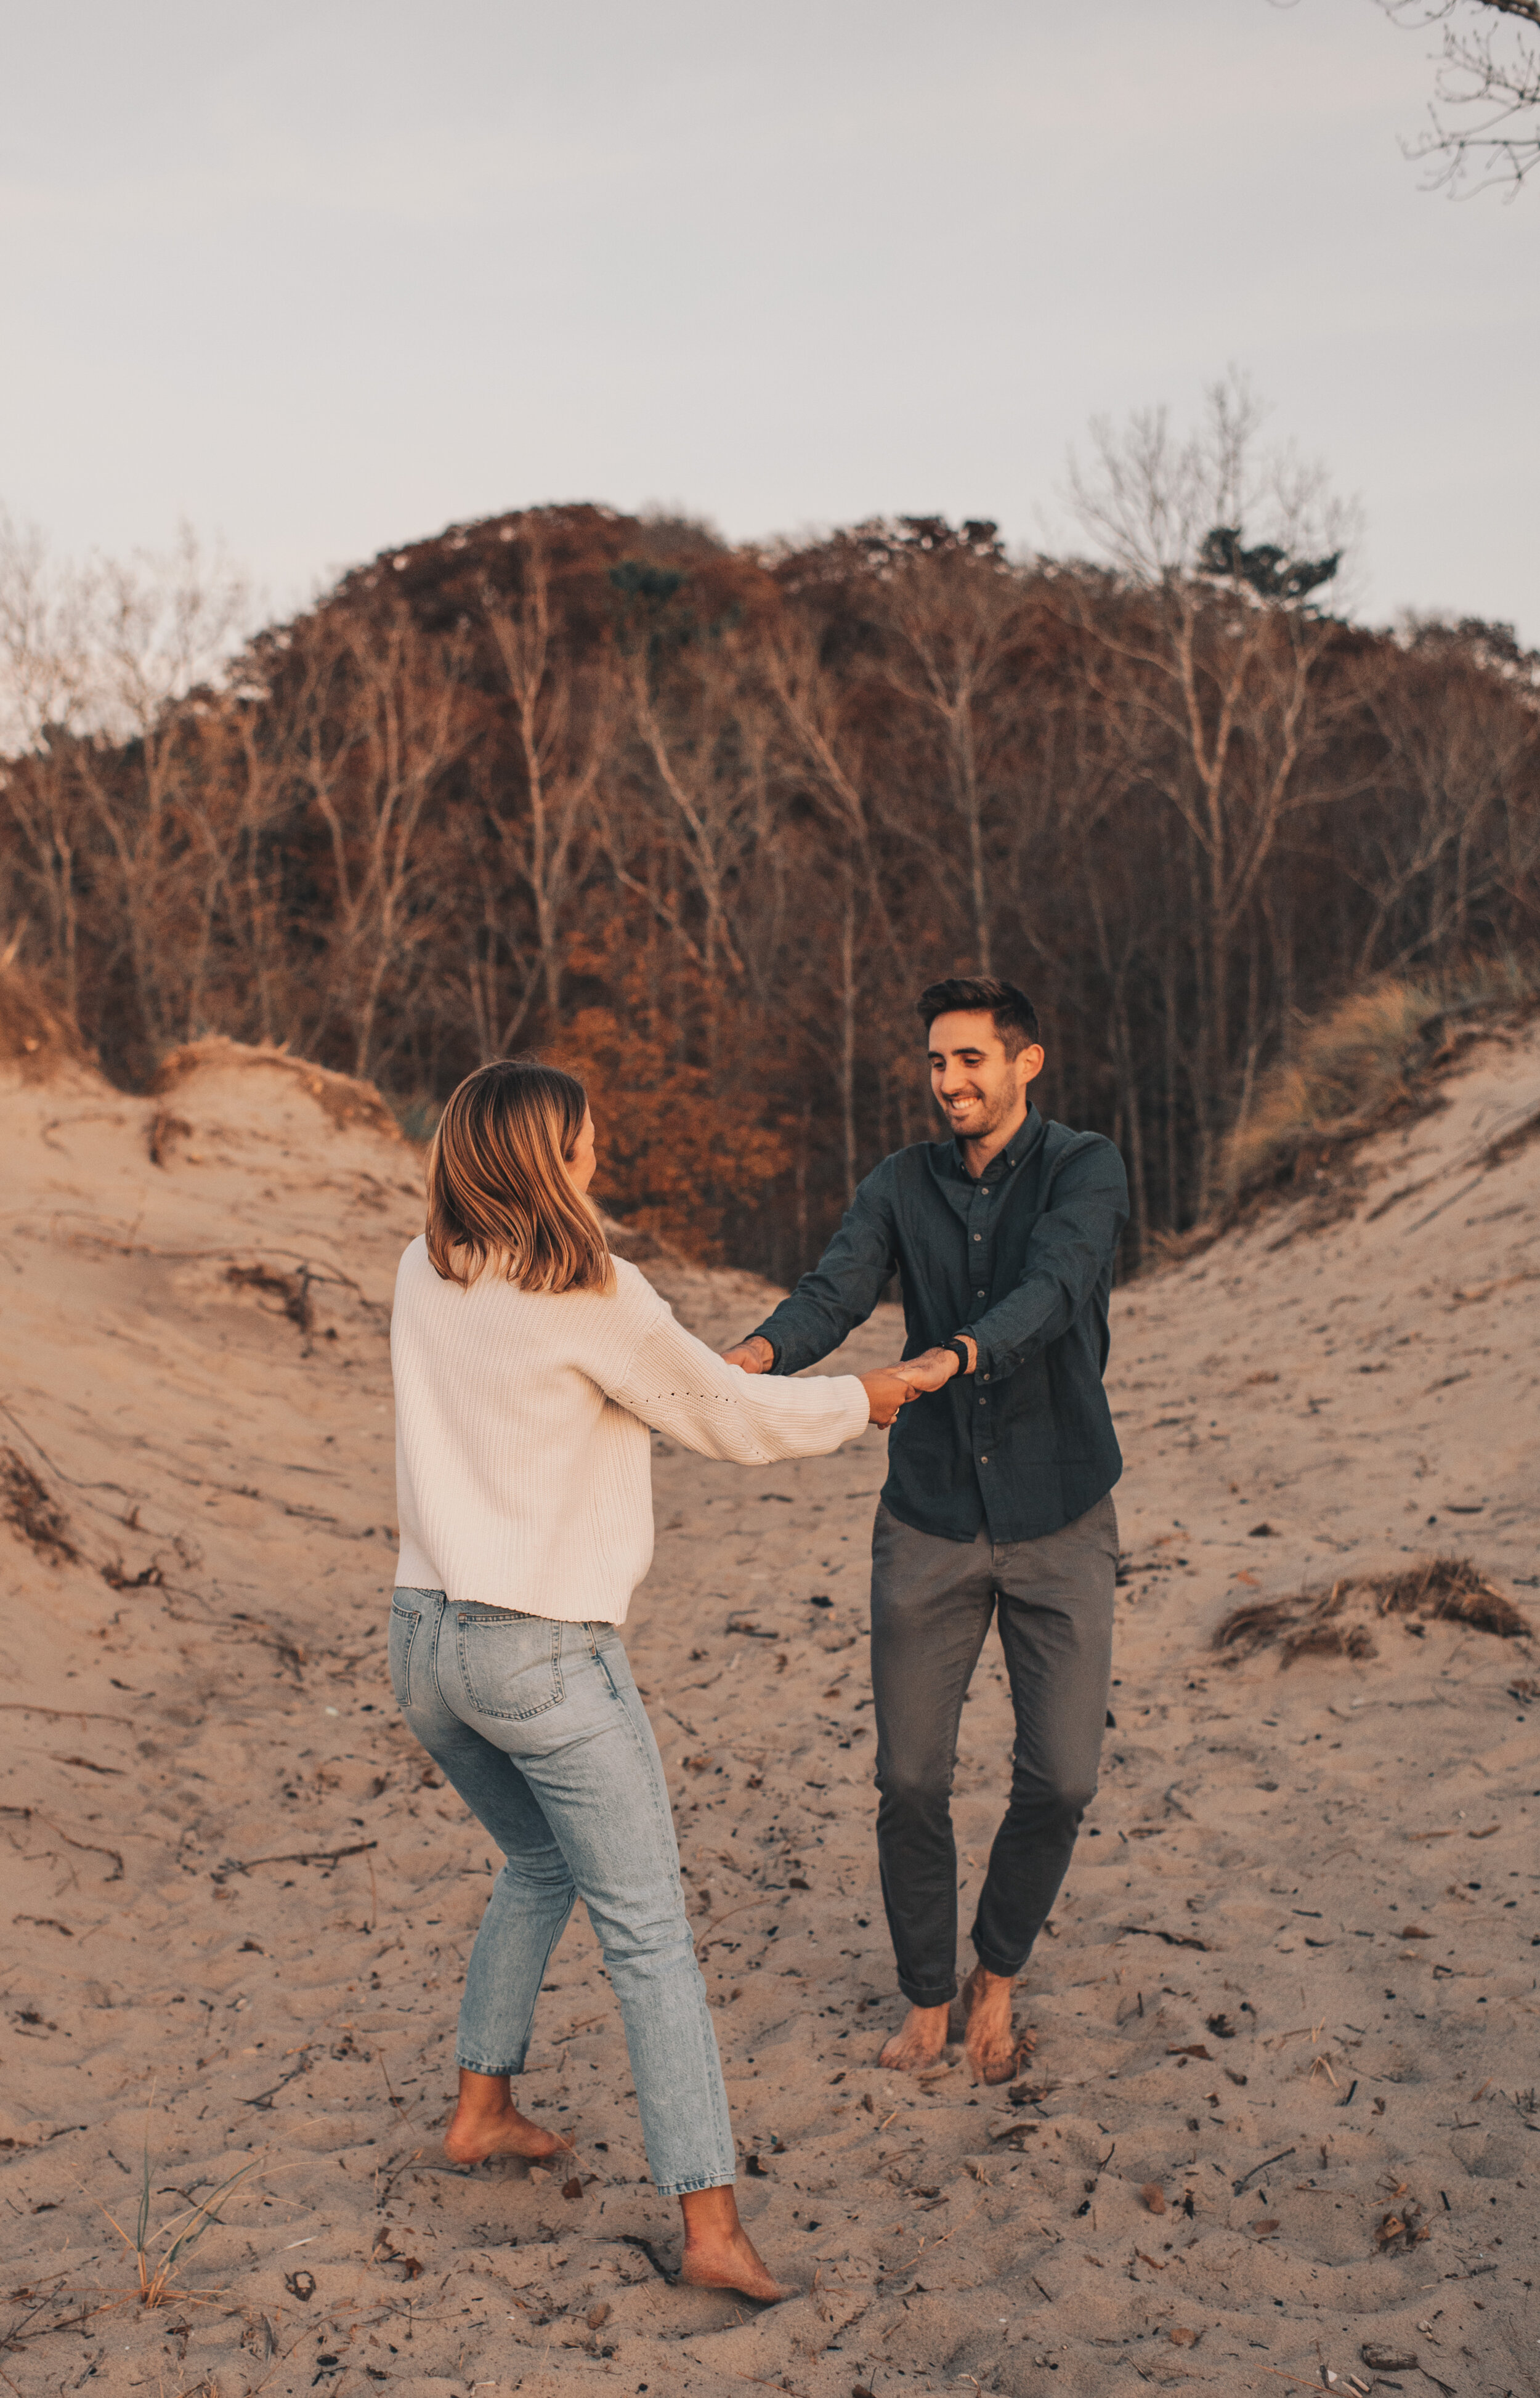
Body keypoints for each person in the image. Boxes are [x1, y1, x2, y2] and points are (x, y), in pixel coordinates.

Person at [386, 1056, 947, 2303]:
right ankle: (709, 2227)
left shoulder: (423, 1271)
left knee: (537, 1865)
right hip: (537, 1651)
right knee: (649, 1942)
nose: (598, 1157)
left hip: (422, 1640)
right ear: (548, 1160)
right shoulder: (589, 1291)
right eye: (584, 1143)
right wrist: (866, 1398)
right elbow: (725, 1421)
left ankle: (480, 2110)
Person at [723, 976, 1128, 2085]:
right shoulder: (901, 1182)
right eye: (936, 1063)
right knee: (909, 1780)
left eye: (970, 1060)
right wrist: (746, 1359)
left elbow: (1054, 1289)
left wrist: (951, 1357)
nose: (949, 1081)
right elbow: (834, 1290)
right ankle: (926, 1997)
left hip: (1061, 1512)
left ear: (1025, 1062)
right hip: (931, 1516)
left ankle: (997, 1973)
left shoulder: (1084, 1168)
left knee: (1063, 1780)